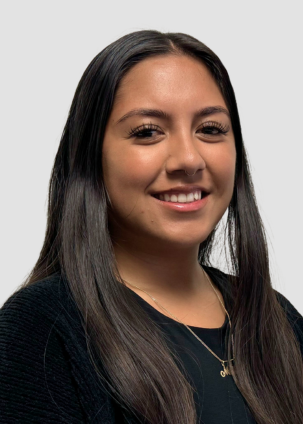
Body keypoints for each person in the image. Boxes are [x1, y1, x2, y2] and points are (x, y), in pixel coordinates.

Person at [0, 30, 303, 424]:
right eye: (147, 132)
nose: (188, 158)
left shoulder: (279, 320)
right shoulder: (42, 331)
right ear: (91, 159)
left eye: (210, 129)